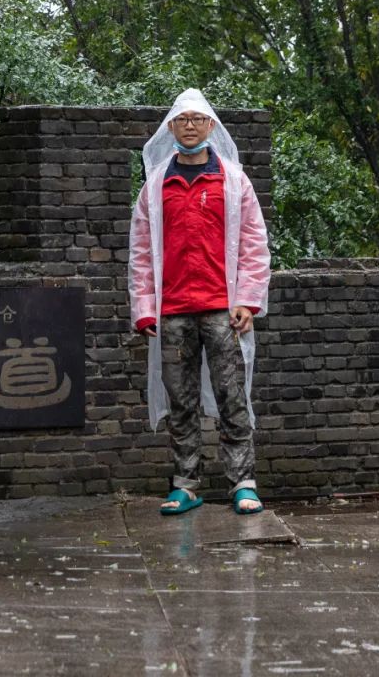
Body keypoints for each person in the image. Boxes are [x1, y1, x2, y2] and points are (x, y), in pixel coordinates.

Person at [128, 89, 271, 515]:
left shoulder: (232, 180)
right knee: (181, 400)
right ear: (170, 127)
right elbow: (140, 252)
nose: (190, 125)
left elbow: (253, 242)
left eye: (198, 118)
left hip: (222, 307)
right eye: (182, 119)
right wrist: (144, 308)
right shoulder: (155, 186)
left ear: (211, 126)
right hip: (172, 310)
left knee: (232, 396)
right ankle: (185, 484)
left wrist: (248, 298)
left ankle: (243, 482)